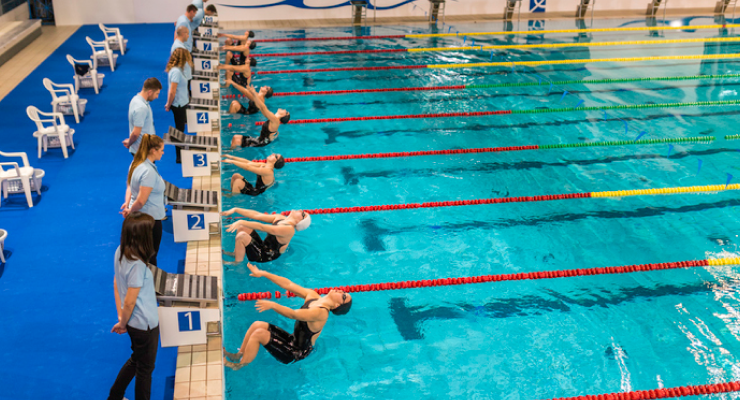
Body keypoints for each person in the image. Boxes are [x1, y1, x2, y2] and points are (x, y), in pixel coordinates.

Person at [223, 263, 352, 370]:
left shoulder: (321, 313)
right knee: (257, 324)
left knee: (259, 334)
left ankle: (237, 365)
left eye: (344, 296)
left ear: (336, 305)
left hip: (296, 353)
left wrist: (273, 305)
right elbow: (288, 285)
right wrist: (263, 273)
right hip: (292, 340)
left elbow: (293, 314)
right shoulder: (313, 296)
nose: (341, 291)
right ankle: (238, 355)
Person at [108, 212, 160, 400]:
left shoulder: (119, 251)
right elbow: (130, 300)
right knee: (145, 369)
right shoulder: (137, 265)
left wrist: (122, 319)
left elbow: (116, 283)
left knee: (136, 360)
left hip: (133, 323)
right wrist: (123, 322)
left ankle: (115, 396)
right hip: (145, 325)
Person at [121, 135, 166, 266]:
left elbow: (129, 186)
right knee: (150, 258)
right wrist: (130, 210)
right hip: (150, 221)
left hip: (140, 217)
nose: (163, 153)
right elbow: (141, 201)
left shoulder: (136, 163)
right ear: (153, 150)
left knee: (142, 256)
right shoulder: (148, 172)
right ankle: (149, 285)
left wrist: (128, 204)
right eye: (161, 150)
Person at [220, 207, 310, 264]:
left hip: (265, 255)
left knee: (242, 236)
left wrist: (241, 221)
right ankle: (236, 254)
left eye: (302, 214)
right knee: (243, 227)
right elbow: (257, 215)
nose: (301, 210)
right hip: (263, 246)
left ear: (299, 221)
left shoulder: (288, 229)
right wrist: (236, 209)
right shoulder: (281, 218)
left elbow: (262, 227)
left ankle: (237, 264)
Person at [226, 83, 290, 149]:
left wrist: (254, 93)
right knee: (235, 138)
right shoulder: (274, 120)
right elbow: (261, 108)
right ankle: (230, 151)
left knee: (236, 138)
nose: (285, 109)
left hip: (260, 142)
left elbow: (263, 108)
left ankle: (230, 152)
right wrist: (254, 94)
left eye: (286, 111)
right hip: (260, 140)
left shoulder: (275, 120)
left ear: (284, 115)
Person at [165, 48, 193, 163]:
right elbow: (172, 91)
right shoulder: (176, 71)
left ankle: (180, 152)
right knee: (180, 129)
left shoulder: (178, 69)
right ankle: (179, 156)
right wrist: (168, 104)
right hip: (179, 104)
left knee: (181, 127)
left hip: (181, 102)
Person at [124, 78, 161, 156]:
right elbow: (135, 133)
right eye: (157, 94)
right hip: (143, 151)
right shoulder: (141, 107)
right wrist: (129, 143)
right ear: (150, 92)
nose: (157, 97)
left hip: (144, 147)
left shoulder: (136, 99)